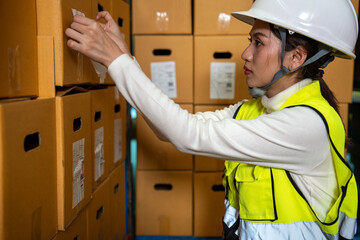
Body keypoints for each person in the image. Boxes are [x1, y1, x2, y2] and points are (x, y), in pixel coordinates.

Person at [65, 0, 358, 239]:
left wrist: (117, 61)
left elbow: (185, 133)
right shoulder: (256, 110)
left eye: (258, 42)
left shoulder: (305, 127)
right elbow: (175, 127)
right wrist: (124, 56)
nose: (245, 53)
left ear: (296, 58)